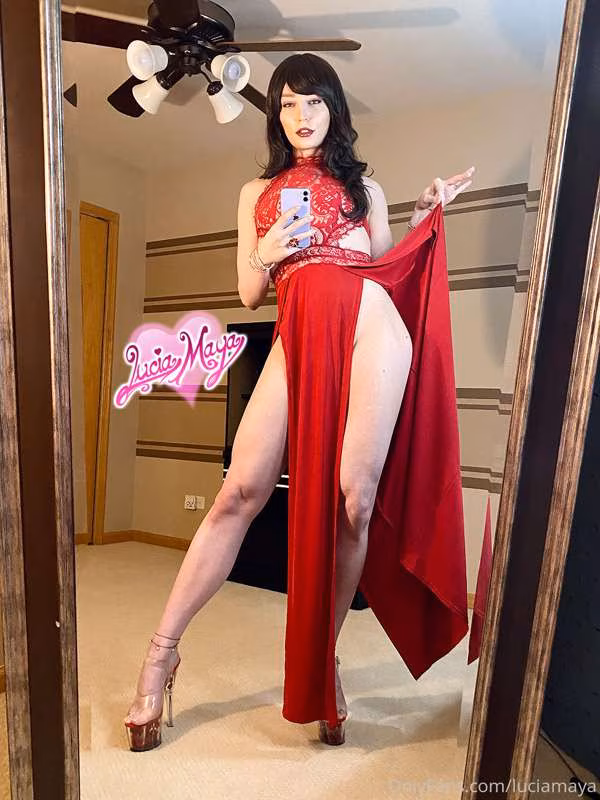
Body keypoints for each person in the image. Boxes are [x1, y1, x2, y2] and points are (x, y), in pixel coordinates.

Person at [124, 52, 475, 751]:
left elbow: (388, 270)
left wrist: (422, 215)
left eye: (313, 101)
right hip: (299, 330)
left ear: (333, 109)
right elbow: (250, 294)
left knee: (356, 499)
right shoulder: (256, 191)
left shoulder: (363, 188)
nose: (300, 114)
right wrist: (266, 250)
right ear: (275, 114)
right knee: (240, 491)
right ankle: (161, 654)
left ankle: (324, 658)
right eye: (286, 103)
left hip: (370, 322)